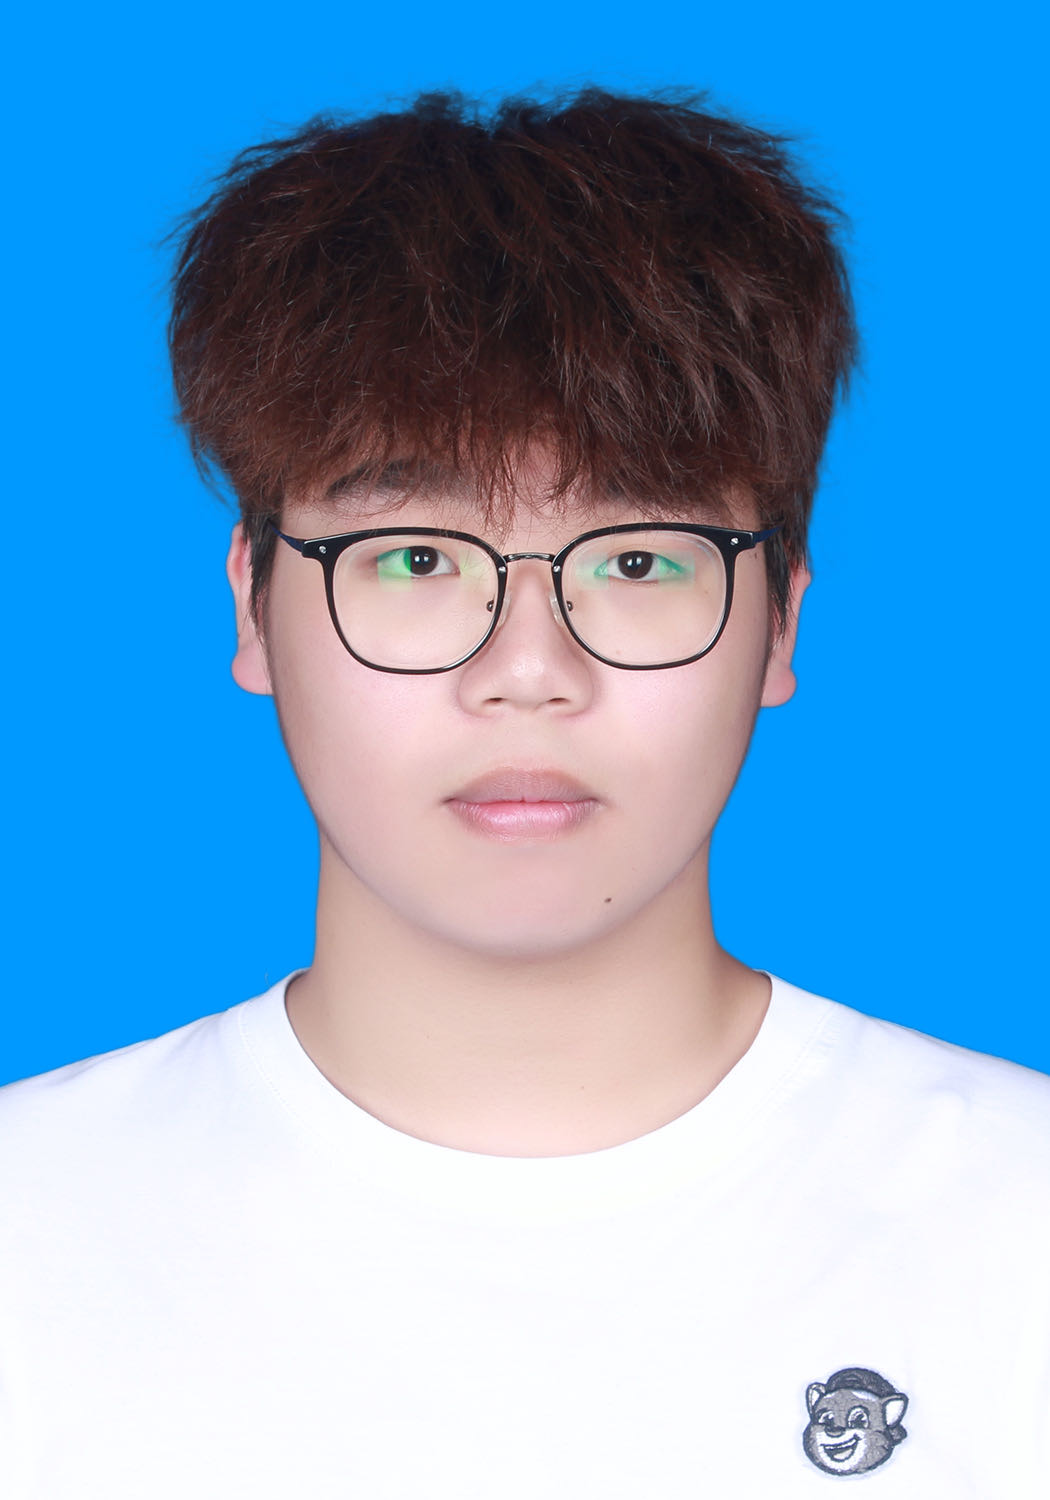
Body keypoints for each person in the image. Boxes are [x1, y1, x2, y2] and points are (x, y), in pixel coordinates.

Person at [1, 88, 1047, 1499]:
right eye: (417, 560)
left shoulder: (1018, 1231)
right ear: (253, 605)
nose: (528, 672)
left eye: (637, 561)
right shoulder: (29, 1235)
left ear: (780, 623)